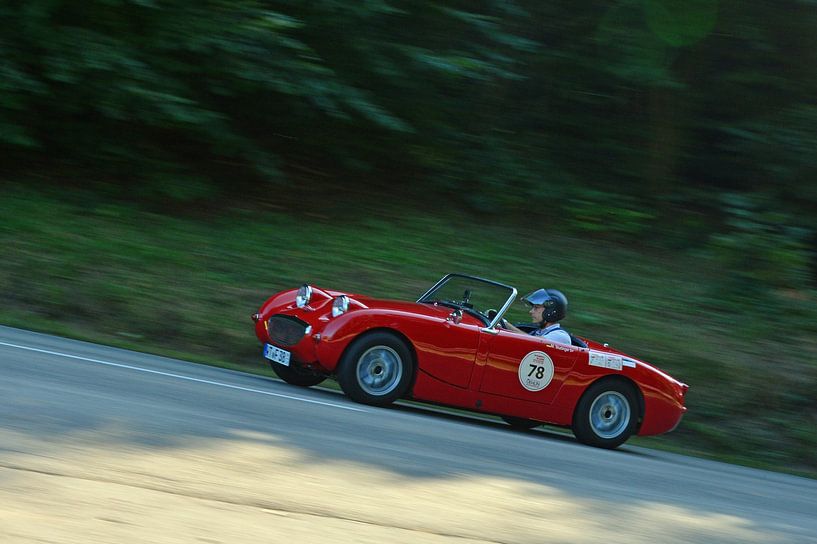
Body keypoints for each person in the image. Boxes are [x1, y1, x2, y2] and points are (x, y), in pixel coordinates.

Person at [504, 288, 572, 344]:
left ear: (550, 311)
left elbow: (534, 343)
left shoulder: (560, 336)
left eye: (536, 307)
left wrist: (506, 324)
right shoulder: (537, 331)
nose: (531, 311)